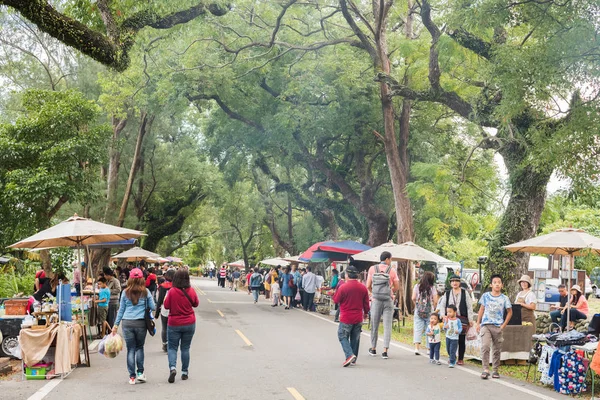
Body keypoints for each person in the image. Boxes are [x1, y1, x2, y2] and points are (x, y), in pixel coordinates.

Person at [112, 268, 156, 385]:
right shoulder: (146, 292)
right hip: (141, 323)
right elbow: (153, 306)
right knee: (139, 348)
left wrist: (115, 325)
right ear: (142, 279)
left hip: (127, 323)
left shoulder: (125, 292)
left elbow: (120, 310)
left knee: (130, 349)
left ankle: (132, 377)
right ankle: (140, 374)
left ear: (130, 279)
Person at [164, 269, 199, 383]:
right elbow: (196, 303)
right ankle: (184, 372)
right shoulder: (191, 290)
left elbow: (166, 305)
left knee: (172, 348)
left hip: (174, 323)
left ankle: (172, 368)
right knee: (185, 348)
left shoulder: (172, 291)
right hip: (189, 323)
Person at [476, 274, 512, 380]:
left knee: (497, 349)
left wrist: (503, 325)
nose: (497, 284)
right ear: (491, 285)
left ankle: (495, 370)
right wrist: (478, 322)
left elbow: (510, 312)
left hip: (498, 326)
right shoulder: (486, 296)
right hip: (486, 324)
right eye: (495, 282)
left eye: (499, 282)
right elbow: (481, 309)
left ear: (502, 285)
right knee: (485, 346)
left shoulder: (504, 298)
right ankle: (485, 369)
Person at [333, 265, 370, 367]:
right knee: (355, 338)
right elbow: (366, 303)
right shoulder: (363, 288)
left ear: (347, 275)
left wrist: (334, 293)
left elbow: (336, 300)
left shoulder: (343, 287)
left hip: (346, 317)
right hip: (358, 317)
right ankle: (353, 358)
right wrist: (366, 313)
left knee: (342, 335)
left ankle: (349, 355)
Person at [367, 251, 400, 359]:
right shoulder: (392, 270)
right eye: (390, 259)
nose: (390, 261)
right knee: (387, 325)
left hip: (376, 299)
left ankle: (373, 348)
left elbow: (368, 285)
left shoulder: (372, 269)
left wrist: (373, 293)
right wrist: (390, 292)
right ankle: (385, 351)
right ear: (387, 259)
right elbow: (397, 286)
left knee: (374, 324)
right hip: (387, 300)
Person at [437, 274, 474, 365]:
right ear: (450, 283)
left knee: (461, 339)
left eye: (456, 281)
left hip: (462, 319)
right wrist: (442, 315)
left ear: (459, 282)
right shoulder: (448, 293)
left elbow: (469, 307)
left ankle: (460, 358)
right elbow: (442, 305)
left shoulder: (465, 293)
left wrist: (470, 319)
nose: (454, 283)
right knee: (449, 339)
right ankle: (452, 356)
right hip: (450, 320)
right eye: (452, 281)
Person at [412, 270, 438, 356]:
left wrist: (417, 305)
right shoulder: (432, 288)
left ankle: (416, 348)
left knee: (417, 329)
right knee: (430, 328)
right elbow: (435, 300)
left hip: (418, 311)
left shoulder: (417, 286)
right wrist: (434, 309)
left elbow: (413, 298)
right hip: (429, 312)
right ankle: (428, 348)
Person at [156, 269, 175, 352]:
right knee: (173, 328)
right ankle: (172, 344)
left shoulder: (162, 286)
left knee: (164, 327)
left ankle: (165, 344)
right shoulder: (177, 286)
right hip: (175, 310)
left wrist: (156, 313)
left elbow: (159, 300)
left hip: (165, 310)